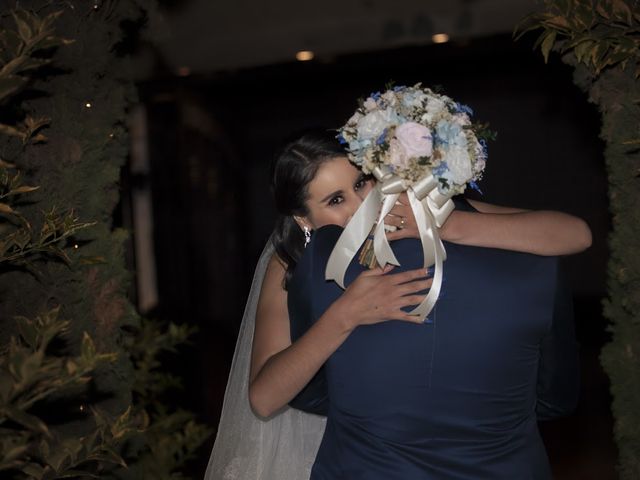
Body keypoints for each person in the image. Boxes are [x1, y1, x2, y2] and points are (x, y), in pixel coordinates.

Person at [204, 130, 591, 479]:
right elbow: (265, 398)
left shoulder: (413, 211)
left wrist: (450, 225)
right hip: (346, 447)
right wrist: (344, 315)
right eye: (336, 200)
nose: (361, 206)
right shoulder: (289, 262)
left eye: (362, 183)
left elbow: (575, 234)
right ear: (304, 220)